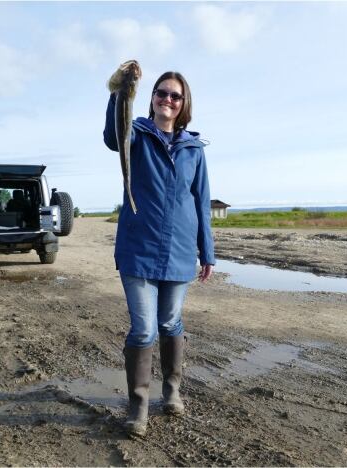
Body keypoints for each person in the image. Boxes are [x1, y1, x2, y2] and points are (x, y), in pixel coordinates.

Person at [103, 68, 215, 437]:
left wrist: (207, 252)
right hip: (138, 250)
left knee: (169, 323)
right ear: (150, 97)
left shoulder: (194, 150)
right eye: (161, 93)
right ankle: (138, 406)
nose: (167, 100)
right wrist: (119, 91)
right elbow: (111, 137)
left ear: (184, 105)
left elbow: (200, 202)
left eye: (175, 96)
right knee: (144, 328)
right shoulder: (135, 133)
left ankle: (172, 390)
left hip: (181, 252)